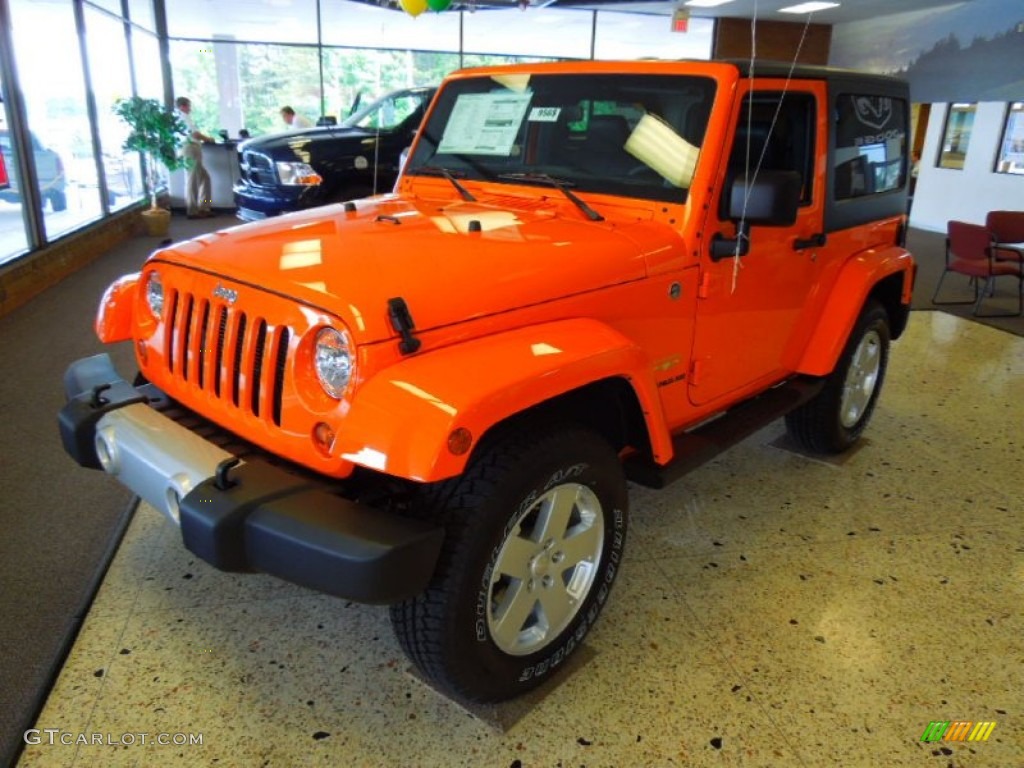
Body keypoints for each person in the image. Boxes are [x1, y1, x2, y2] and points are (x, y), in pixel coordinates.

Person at [175, 96, 215, 218]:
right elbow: (195, 134)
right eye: (188, 106)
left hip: (192, 148)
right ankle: (192, 210)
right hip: (190, 148)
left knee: (205, 179)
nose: (190, 109)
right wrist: (208, 139)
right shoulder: (183, 117)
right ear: (182, 106)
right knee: (192, 180)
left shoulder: (182, 117)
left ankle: (205, 206)